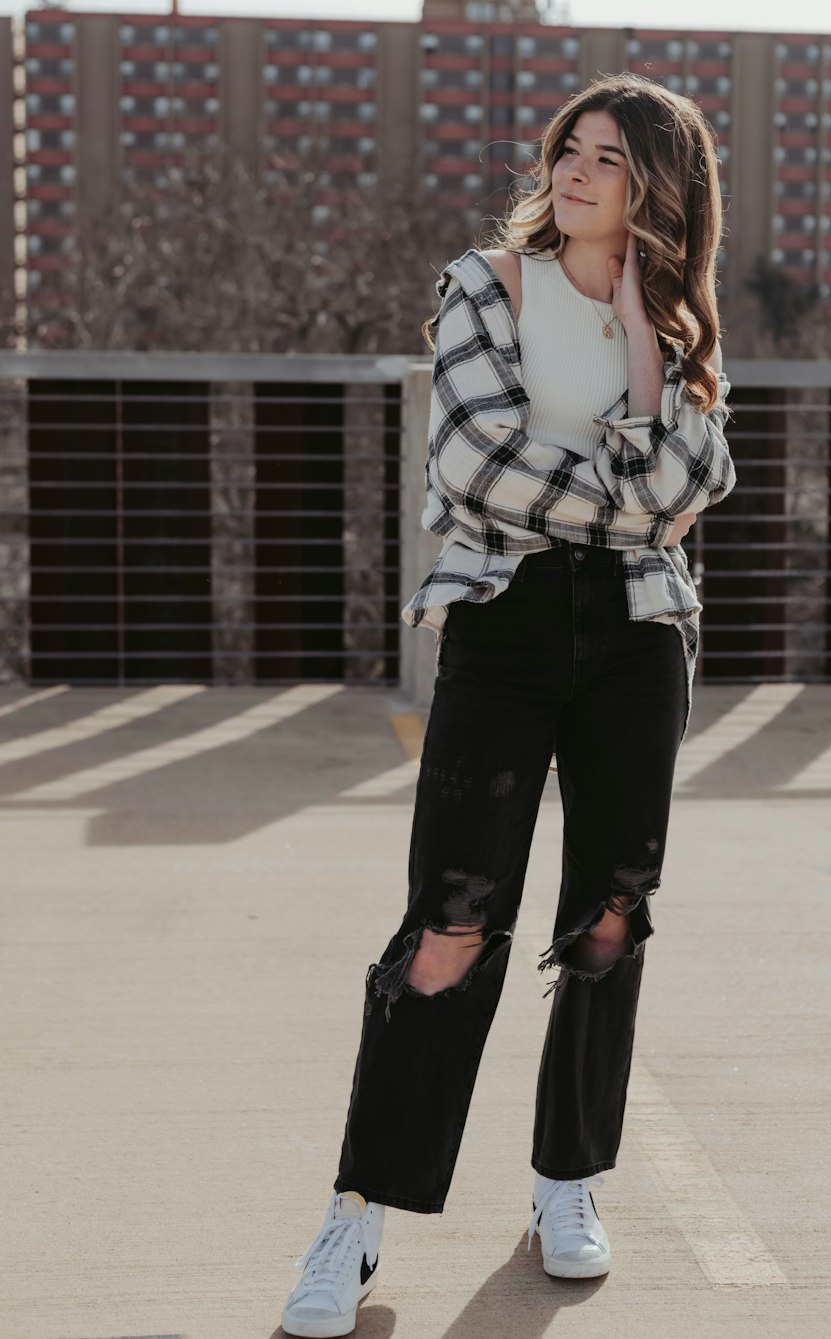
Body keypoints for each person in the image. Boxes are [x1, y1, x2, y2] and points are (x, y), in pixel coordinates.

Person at [280, 72, 737, 1338]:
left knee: (608, 915)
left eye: (609, 157)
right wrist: (638, 483)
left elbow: (712, 477)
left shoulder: (684, 320)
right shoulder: (486, 283)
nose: (577, 171)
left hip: (642, 635)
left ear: (659, 185)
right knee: (450, 923)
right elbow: (474, 461)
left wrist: (647, 347)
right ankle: (359, 1212)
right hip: (505, 620)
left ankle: (565, 1182)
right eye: (569, 149)